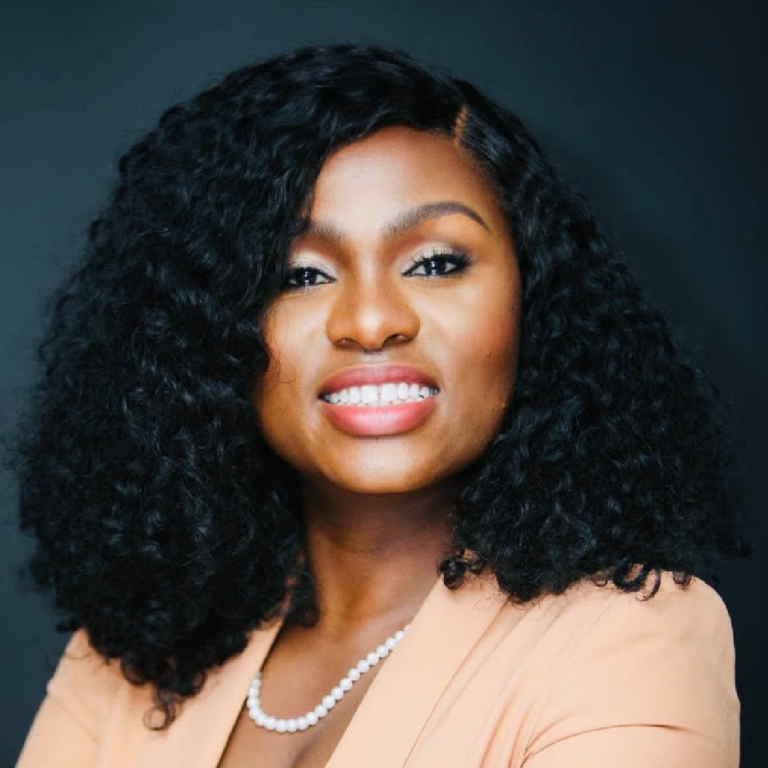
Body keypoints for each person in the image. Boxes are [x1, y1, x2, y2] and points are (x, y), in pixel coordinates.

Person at [12, 43, 744, 767]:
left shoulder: (630, 638)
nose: (369, 320)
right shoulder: (135, 652)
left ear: (533, 304)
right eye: (299, 275)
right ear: (205, 336)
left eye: (435, 263)